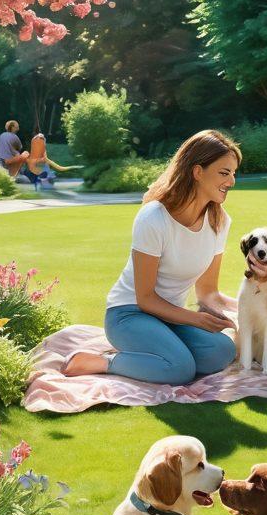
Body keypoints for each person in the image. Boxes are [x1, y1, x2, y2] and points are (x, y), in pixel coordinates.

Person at [63, 130, 240, 385]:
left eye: (234, 173)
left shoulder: (219, 221)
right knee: (180, 369)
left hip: (173, 318)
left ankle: (155, 353)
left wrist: (244, 309)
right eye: (225, 173)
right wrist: (196, 319)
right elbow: (145, 299)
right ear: (197, 171)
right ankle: (102, 361)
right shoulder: (154, 218)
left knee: (222, 351)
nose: (232, 181)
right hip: (129, 314)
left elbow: (208, 292)